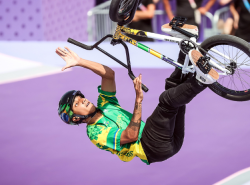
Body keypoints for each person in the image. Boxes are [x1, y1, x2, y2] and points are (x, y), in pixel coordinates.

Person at [56, 39, 219, 164]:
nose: (82, 100)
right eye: (76, 104)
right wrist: (138, 100)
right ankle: (202, 80)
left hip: (171, 142)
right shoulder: (95, 133)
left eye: (80, 97)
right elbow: (131, 135)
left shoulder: (105, 104)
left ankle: (186, 48)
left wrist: (80, 61)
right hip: (151, 147)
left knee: (172, 89)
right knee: (167, 101)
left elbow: (108, 74)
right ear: (76, 118)